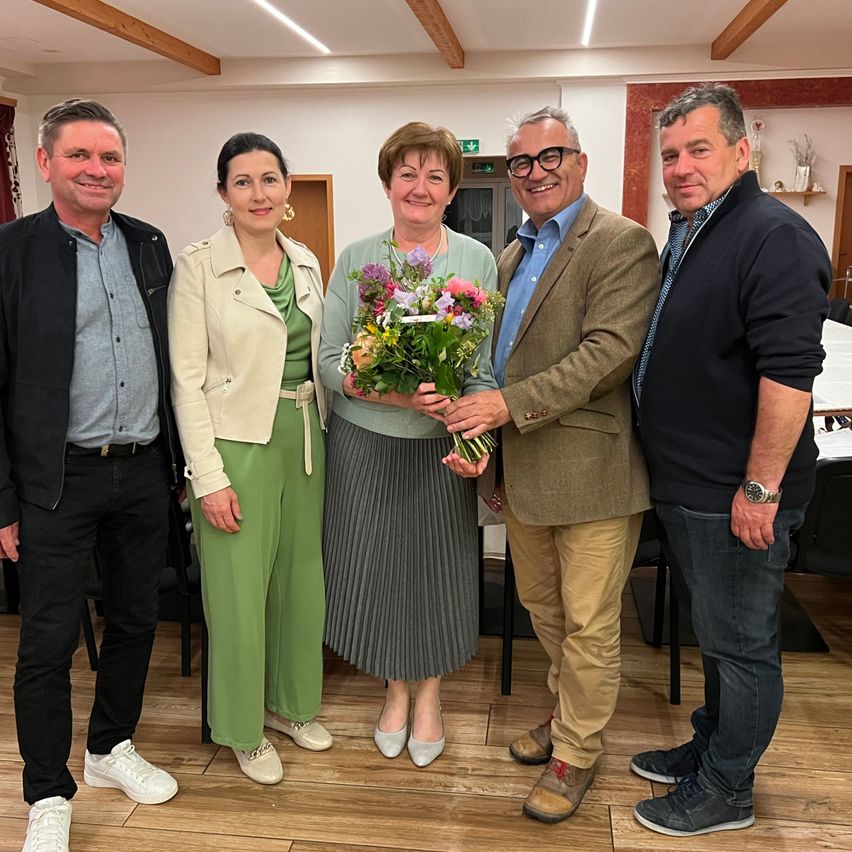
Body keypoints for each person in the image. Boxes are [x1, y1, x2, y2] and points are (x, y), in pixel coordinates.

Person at [444, 106, 660, 822]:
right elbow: (499, 361)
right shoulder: (512, 254)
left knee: (591, 624)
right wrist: (490, 450)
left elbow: (605, 354)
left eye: (551, 157)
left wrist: (504, 409)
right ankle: (573, 719)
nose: (536, 172)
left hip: (593, 472)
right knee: (544, 612)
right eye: (522, 163)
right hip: (526, 473)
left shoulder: (621, 243)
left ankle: (576, 754)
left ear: (581, 163)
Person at [630, 83, 830, 837]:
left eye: (699, 149)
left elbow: (789, 373)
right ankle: (713, 747)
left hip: (735, 492)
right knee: (716, 638)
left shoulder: (771, 234)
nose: (680, 166)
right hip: (691, 485)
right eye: (671, 153)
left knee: (742, 647)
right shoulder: (694, 229)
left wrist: (760, 487)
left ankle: (728, 790)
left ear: (743, 152)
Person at [0, 99, 181, 852]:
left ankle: (110, 749)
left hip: (141, 471)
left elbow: (176, 357)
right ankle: (47, 790)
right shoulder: (11, 253)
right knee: (45, 643)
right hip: (54, 481)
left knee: (138, 620)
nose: (97, 170)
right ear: (44, 163)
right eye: (80, 156)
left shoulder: (148, 244)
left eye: (109, 158)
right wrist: (4, 500)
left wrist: (177, 467)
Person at [318, 122, 497, 768]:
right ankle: (394, 690)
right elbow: (329, 361)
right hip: (364, 445)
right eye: (408, 174)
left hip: (441, 448)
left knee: (439, 574)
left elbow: (483, 372)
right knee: (377, 569)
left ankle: (432, 698)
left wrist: (477, 442)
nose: (419, 188)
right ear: (388, 183)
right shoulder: (358, 259)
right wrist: (395, 396)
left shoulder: (476, 262)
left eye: (435, 176)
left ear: (451, 189)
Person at [168, 133, 332, 785]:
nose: (258, 193)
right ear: (222, 194)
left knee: (301, 583)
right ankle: (240, 725)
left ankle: (291, 704)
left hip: (306, 437)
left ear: (288, 188)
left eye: (270, 179)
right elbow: (185, 380)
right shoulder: (198, 267)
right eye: (243, 182)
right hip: (236, 444)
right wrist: (207, 476)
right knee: (237, 594)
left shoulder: (307, 262)